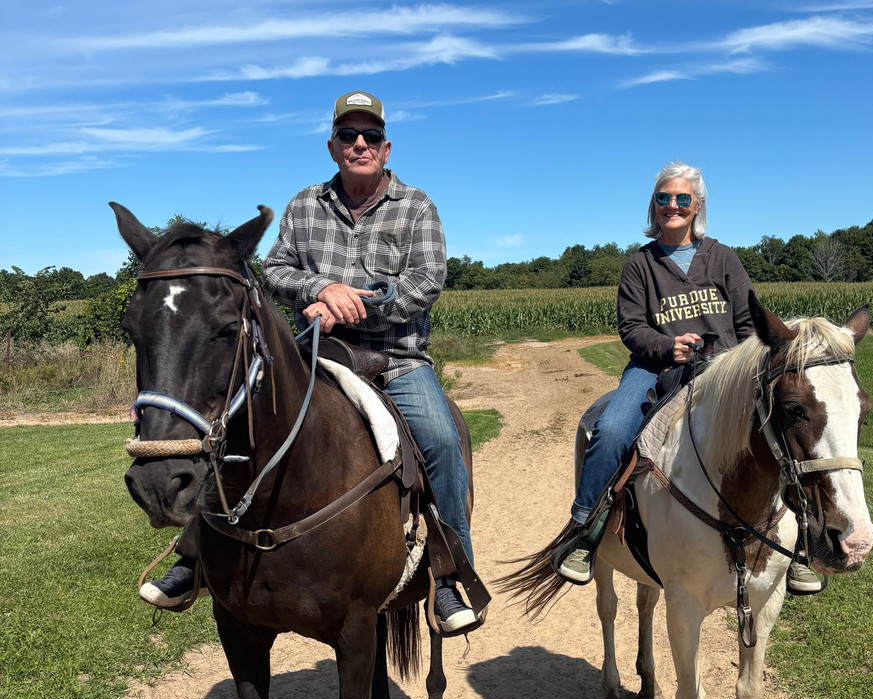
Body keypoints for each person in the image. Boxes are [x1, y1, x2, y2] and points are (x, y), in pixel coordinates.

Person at [140, 90, 482, 631]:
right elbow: (273, 269)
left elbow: (427, 281)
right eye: (349, 135)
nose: (360, 144)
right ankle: (195, 552)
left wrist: (355, 300)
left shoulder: (417, 206)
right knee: (233, 424)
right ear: (332, 146)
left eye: (370, 136)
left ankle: (450, 571)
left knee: (439, 439)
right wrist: (322, 287)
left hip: (397, 358)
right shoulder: (305, 205)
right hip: (316, 351)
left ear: (387, 147)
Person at [554, 161, 824, 596]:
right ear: (653, 206)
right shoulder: (639, 265)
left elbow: (746, 322)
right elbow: (631, 327)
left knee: (783, 433)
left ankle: (802, 548)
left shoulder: (722, 258)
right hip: (653, 368)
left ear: (697, 205)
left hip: (722, 372)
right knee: (610, 429)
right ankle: (584, 531)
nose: (672, 206)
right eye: (664, 198)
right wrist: (669, 347)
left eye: (682, 198)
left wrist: (737, 365)